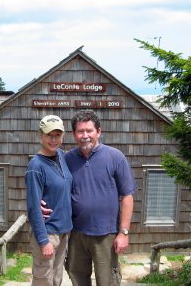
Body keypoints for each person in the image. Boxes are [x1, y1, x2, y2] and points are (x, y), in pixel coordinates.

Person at [43, 110, 137, 286]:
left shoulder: (115, 157)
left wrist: (123, 233)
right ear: (74, 134)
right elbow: (51, 182)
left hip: (106, 235)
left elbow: (127, 196)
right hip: (76, 233)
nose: (85, 135)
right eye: (80, 131)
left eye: (89, 131)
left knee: (108, 281)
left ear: (98, 132)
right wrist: (40, 201)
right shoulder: (66, 159)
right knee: (77, 278)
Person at [25, 115, 73, 286]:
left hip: (63, 231)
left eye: (57, 135)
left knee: (56, 279)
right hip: (47, 232)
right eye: (49, 135)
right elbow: (32, 207)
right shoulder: (36, 166)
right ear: (40, 135)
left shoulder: (60, 155)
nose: (54, 140)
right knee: (43, 280)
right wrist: (43, 241)